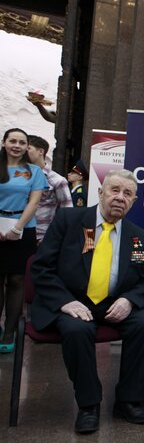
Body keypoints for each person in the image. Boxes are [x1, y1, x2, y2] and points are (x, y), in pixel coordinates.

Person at [30, 169, 144, 433]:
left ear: (134, 201)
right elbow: (41, 267)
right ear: (100, 192)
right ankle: (89, 405)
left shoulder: (139, 237)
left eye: (128, 194)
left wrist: (128, 300)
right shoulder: (69, 220)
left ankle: (129, 401)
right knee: (77, 330)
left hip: (113, 303)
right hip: (72, 301)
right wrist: (65, 302)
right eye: (115, 190)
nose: (120, 197)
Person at [0, 128, 48, 353]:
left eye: (22, 142)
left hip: (23, 228)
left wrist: (17, 228)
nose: (17, 146)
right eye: (13, 141)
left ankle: (9, 332)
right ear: (4, 143)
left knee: (17, 280)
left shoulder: (34, 172)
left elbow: (34, 202)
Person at [26, 135, 72, 243]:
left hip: (41, 237)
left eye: (28, 148)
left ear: (41, 151)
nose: (23, 151)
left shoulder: (57, 180)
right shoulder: (18, 176)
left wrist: (55, 238)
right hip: (16, 232)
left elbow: (67, 212)